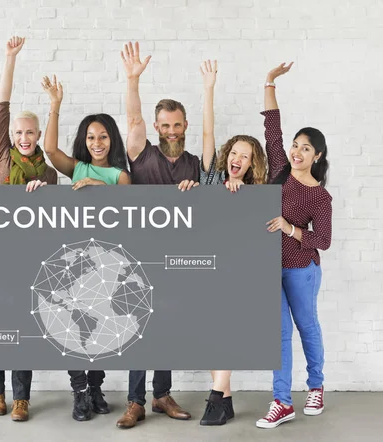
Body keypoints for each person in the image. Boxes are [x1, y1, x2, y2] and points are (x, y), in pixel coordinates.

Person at [41, 74, 130, 421]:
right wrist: (55, 106)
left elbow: (129, 207)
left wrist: (98, 186)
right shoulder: (76, 167)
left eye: (103, 136)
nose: (97, 142)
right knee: (74, 325)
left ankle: (95, 388)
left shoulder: (121, 175)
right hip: (75, 260)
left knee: (101, 327)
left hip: (107, 260)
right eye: (91, 137)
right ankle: (79, 392)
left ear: (112, 139)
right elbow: (49, 150)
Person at [116, 41, 195, 429]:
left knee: (164, 326)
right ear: (156, 126)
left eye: (177, 124)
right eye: (165, 124)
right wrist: (133, 81)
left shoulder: (195, 164)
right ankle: (135, 401)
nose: (171, 131)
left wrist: (195, 192)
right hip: (137, 256)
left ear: (185, 126)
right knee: (137, 327)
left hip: (175, 259)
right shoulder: (141, 153)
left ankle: (162, 395)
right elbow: (132, 122)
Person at [255, 63, 332, 429]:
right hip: (269, 268)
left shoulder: (320, 196)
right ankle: (282, 401)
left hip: (301, 269)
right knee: (278, 335)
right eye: (295, 145)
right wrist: (270, 81)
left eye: (306, 148)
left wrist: (291, 228)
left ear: (317, 156)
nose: (297, 151)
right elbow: (272, 125)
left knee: (307, 326)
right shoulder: (279, 170)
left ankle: (315, 386)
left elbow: (324, 241)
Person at [0, 36, 57, 423]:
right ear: (11, 136)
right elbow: (2, 106)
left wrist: (43, 194)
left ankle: (20, 398)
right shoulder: (0, 158)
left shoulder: (47, 172)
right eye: (18, 133)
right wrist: (9, 58)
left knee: (25, 327)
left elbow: (55, 222)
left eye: (30, 133)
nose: (24, 138)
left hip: (32, 260)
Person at [197, 60, 267, 426]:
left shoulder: (256, 193)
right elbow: (208, 133)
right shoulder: (209, 178)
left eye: (246, 155)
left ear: (253, 163)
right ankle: (224, 399)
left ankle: (214, 399)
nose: (238, 159)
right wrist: (208, 89)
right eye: (235, 153)